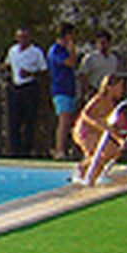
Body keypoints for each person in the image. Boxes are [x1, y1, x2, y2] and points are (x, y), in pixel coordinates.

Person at [73, 73, 127, 184]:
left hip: (98, 131)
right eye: (120, 86)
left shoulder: (112, 104)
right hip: (86, 131)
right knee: (101, 154)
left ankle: (88, 173)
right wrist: (98, 124)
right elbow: (86, 114)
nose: (122, 90)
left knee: (113, 151)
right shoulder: (99, 99)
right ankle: (86, 174)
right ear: (110, 87)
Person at [4, 27, 47, 158]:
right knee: (13, 120)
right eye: (20, 37)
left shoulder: (36, 52)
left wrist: (30, 73)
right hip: (16, 87)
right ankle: (14, 150)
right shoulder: (13, 50)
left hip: (30, 87)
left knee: (29, 120)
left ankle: (26, 150)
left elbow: (44, 70)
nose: (23, 40)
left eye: (25, 37)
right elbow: (7, 64)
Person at [48, 22, 80, 160]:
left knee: (70, 121)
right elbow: (70, 62)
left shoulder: (64, 50)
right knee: (63, 120)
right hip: (60, 89)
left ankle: (68, 149)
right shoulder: (56, 50)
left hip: (69, 88)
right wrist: (72, 49)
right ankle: (59, 150)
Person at [78, 30, 121, 98]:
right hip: (94, 90)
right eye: (100, 42)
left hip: (108, 92)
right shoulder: (90, 58)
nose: (102, 45)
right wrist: (87, 90)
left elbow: (114, 75)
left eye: (104, 42)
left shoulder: (113, 59)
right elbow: (83, 75)